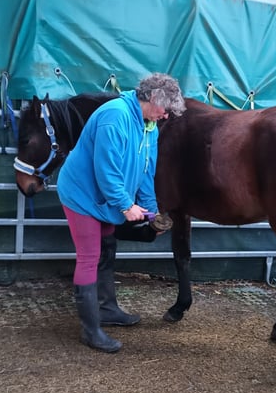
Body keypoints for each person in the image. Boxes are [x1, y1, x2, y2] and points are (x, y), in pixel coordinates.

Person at [56, 73, 186, 353]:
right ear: (152, 99)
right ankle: (91, 331)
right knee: (90, 256)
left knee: (106, 247)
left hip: (105, 196)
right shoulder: (115, 116)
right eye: (165, 110)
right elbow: (106, 170)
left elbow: (145, 171)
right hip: (82, 194)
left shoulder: (148, 124)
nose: (165, 117)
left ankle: (107, 309)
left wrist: (151, 213)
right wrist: (126, 205)